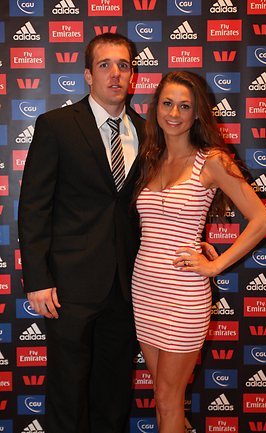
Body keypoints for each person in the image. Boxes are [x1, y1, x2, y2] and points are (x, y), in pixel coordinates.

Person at [131, 71, 266, 433]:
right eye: (167, 103)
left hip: (183, 296)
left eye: (185, 106)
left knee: (166, 396)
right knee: (165, 401)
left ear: (197, 114)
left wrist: (216, 265)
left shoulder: (211, 161)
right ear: (156, 108)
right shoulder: (150, 158)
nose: (174, 113)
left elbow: (261, 220)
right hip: (144, 293)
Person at [18, 33, 145, 433]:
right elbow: (34, 206)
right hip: (69, 287)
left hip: (126, 286)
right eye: (105, 65)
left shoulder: (149, 131)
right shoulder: (56, 125)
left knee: (113, 394)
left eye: (123, 65)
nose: (115, 74)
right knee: (68, 392)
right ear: (88, 75)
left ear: (133, 76)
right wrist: (38, 278)